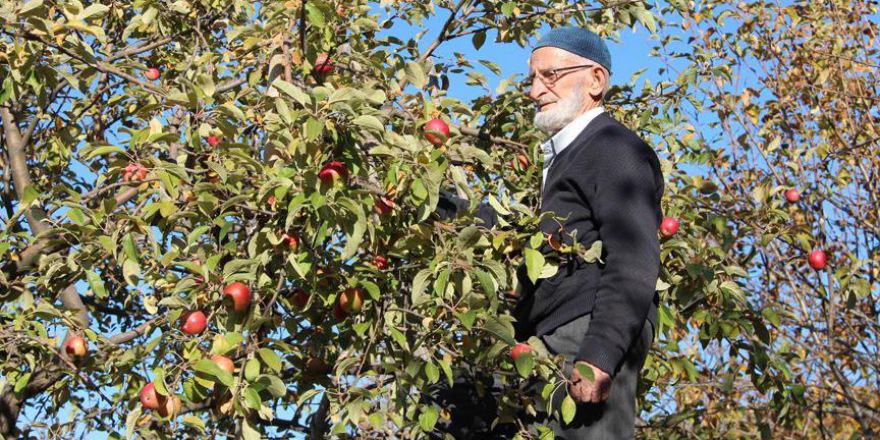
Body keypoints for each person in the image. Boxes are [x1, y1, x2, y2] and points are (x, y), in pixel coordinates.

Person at [430, 27, 664, 439]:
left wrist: (601, 353)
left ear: (595, 80)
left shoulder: (612, 147)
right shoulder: (566, 158)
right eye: (532, 78)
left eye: (550, 76)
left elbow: (634, 256)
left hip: (583, 334)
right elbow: (531, 239)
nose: (536, 90)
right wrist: (440, 204)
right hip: (548, 340)